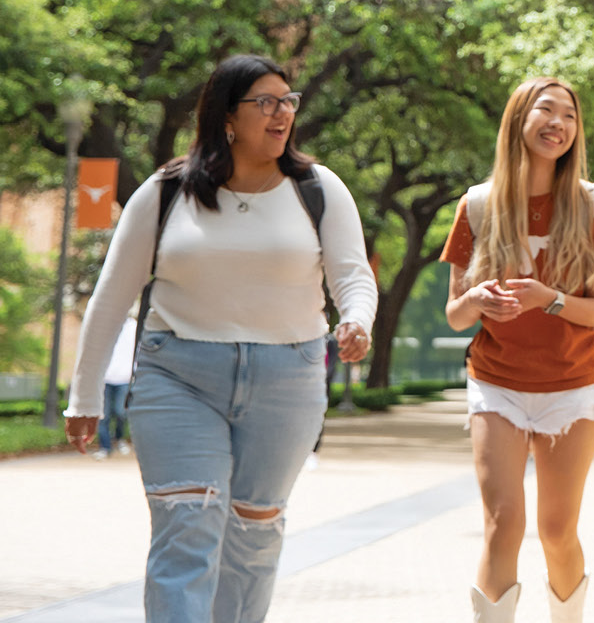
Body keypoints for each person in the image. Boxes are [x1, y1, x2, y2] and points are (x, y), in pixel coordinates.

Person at [62, 53, 376, 623]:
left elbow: (353, 275)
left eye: (288, 101)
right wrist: (84, 398)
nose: (282, 114)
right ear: (227, 117)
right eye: (266, 103)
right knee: (187, 526)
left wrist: (357, 319)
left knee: (254, 537)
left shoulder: (318, 188)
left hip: (288, 379)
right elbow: (111, 298)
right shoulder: (167, 190)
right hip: (178, 375)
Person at [442, 77, 594, 623]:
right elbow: (455, 315)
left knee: (556, 530)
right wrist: (476, 297)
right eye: (547, 110)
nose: (559, 124)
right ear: (518, 120)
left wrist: (549, 301)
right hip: (497, 384)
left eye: (569, 115)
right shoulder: (476, 206)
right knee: (503, 523)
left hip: (573, 386)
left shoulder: (592, 208)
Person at [95, 315, 138, 459]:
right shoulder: (104, 324)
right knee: (104, 415)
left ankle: (119, 438)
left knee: (120, 412)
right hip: (104, 378)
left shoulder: (133, 326)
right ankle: (105, 447)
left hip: (124, 378)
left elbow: (138, 350)